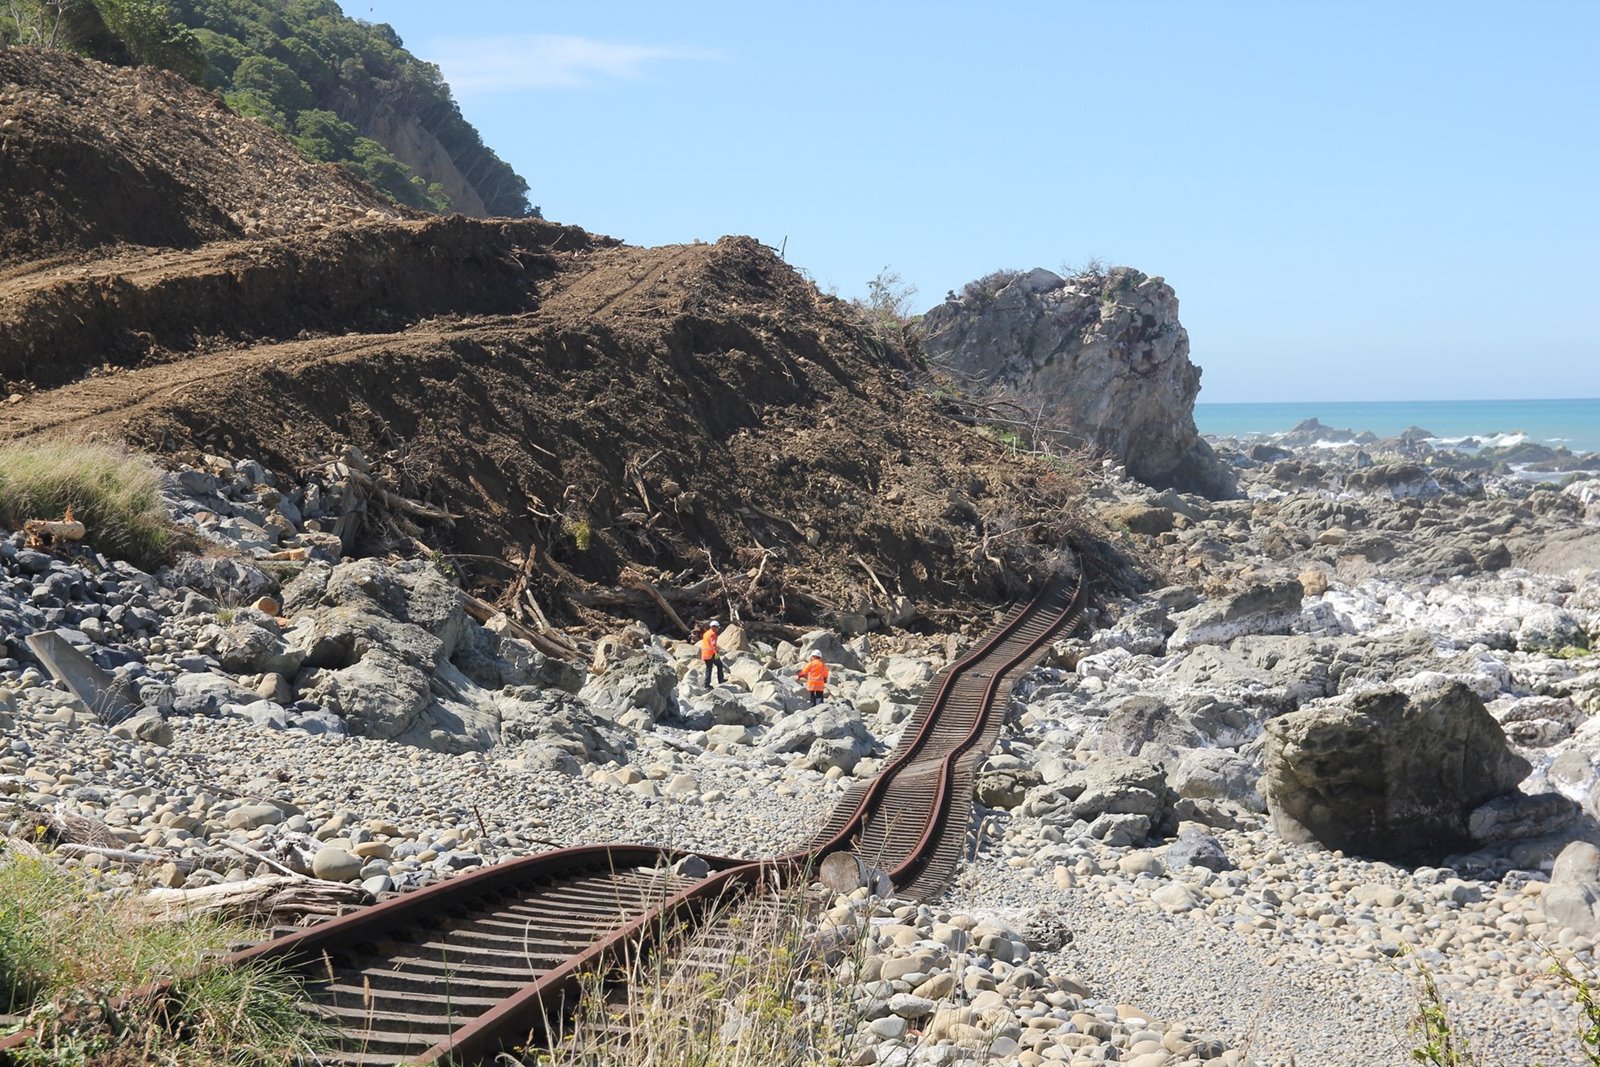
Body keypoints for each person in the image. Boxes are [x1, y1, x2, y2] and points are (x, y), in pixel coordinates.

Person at [699, 620, 725, 687]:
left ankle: (706, 684)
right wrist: (717, 653)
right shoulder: (713, 634)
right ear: (714, 627)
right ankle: (720, 680)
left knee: (708, 668)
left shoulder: (706, 633)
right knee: (719, 665)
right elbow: (713, 644)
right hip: (712, 654)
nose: (717, 629)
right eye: (717, 627)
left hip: (705, 654)